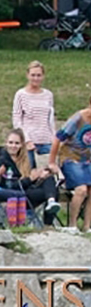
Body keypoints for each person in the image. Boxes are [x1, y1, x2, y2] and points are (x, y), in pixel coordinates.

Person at [0, 128, 60, 225]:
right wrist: (31, 179)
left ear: (22, 144)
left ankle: (51, 202)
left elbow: (28, 181)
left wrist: (40, 177)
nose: (13, 146)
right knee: (53, 191)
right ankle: (48, 223)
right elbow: (9, 186)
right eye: (11, 142)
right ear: (6, 143)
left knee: (50, 179)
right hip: (14, 196)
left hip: (26, 191)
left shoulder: (24, 159)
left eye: (17, 143)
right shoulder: (2, 160)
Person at [48, 95, 91, 231]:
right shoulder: (78, 119)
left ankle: (86, 226)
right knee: (82, 189)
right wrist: (52, 162)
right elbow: (58, 138)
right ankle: (72, 225)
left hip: (87, 160)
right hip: (71, 158)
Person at [12, 60, 55, 164]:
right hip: (29, 141)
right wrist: (26, 140)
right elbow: (17, 119)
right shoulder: (21, 94)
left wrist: (54, 137)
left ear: (43, 76)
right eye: (33, 75)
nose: (36, 78)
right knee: (29, 174)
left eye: (39, 75)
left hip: (46, 140)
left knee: (49, 174)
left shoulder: (48, 95)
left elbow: (51, 119)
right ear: (28, 75)